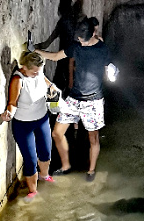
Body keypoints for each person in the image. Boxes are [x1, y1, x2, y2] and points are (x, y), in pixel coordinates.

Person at [35, 18, 116, 182]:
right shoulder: (76, 46)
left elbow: (110, 67)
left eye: (84, 41)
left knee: (93, 138)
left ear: (93, 33)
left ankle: (91, 171)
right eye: (80, 40)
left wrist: (112, 73)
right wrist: (36, 52)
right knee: (57, 133)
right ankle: (66, 166)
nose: (82, 44)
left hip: (93, 101)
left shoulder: (102, 49)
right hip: (74, 98)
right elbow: (57, 56)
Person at [1, 51, 61, 202]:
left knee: (46, 151)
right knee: (30, 160)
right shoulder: (18, 79)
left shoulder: (38, 72)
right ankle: (33, 191)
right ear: (24, 68)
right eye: (33, 72)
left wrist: (52, 87)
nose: (36, 74)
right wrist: (8, 114)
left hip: (42, 119)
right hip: (23, 124)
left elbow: (45, 80)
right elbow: (13, 103)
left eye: (38, 71)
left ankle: (44, 176)